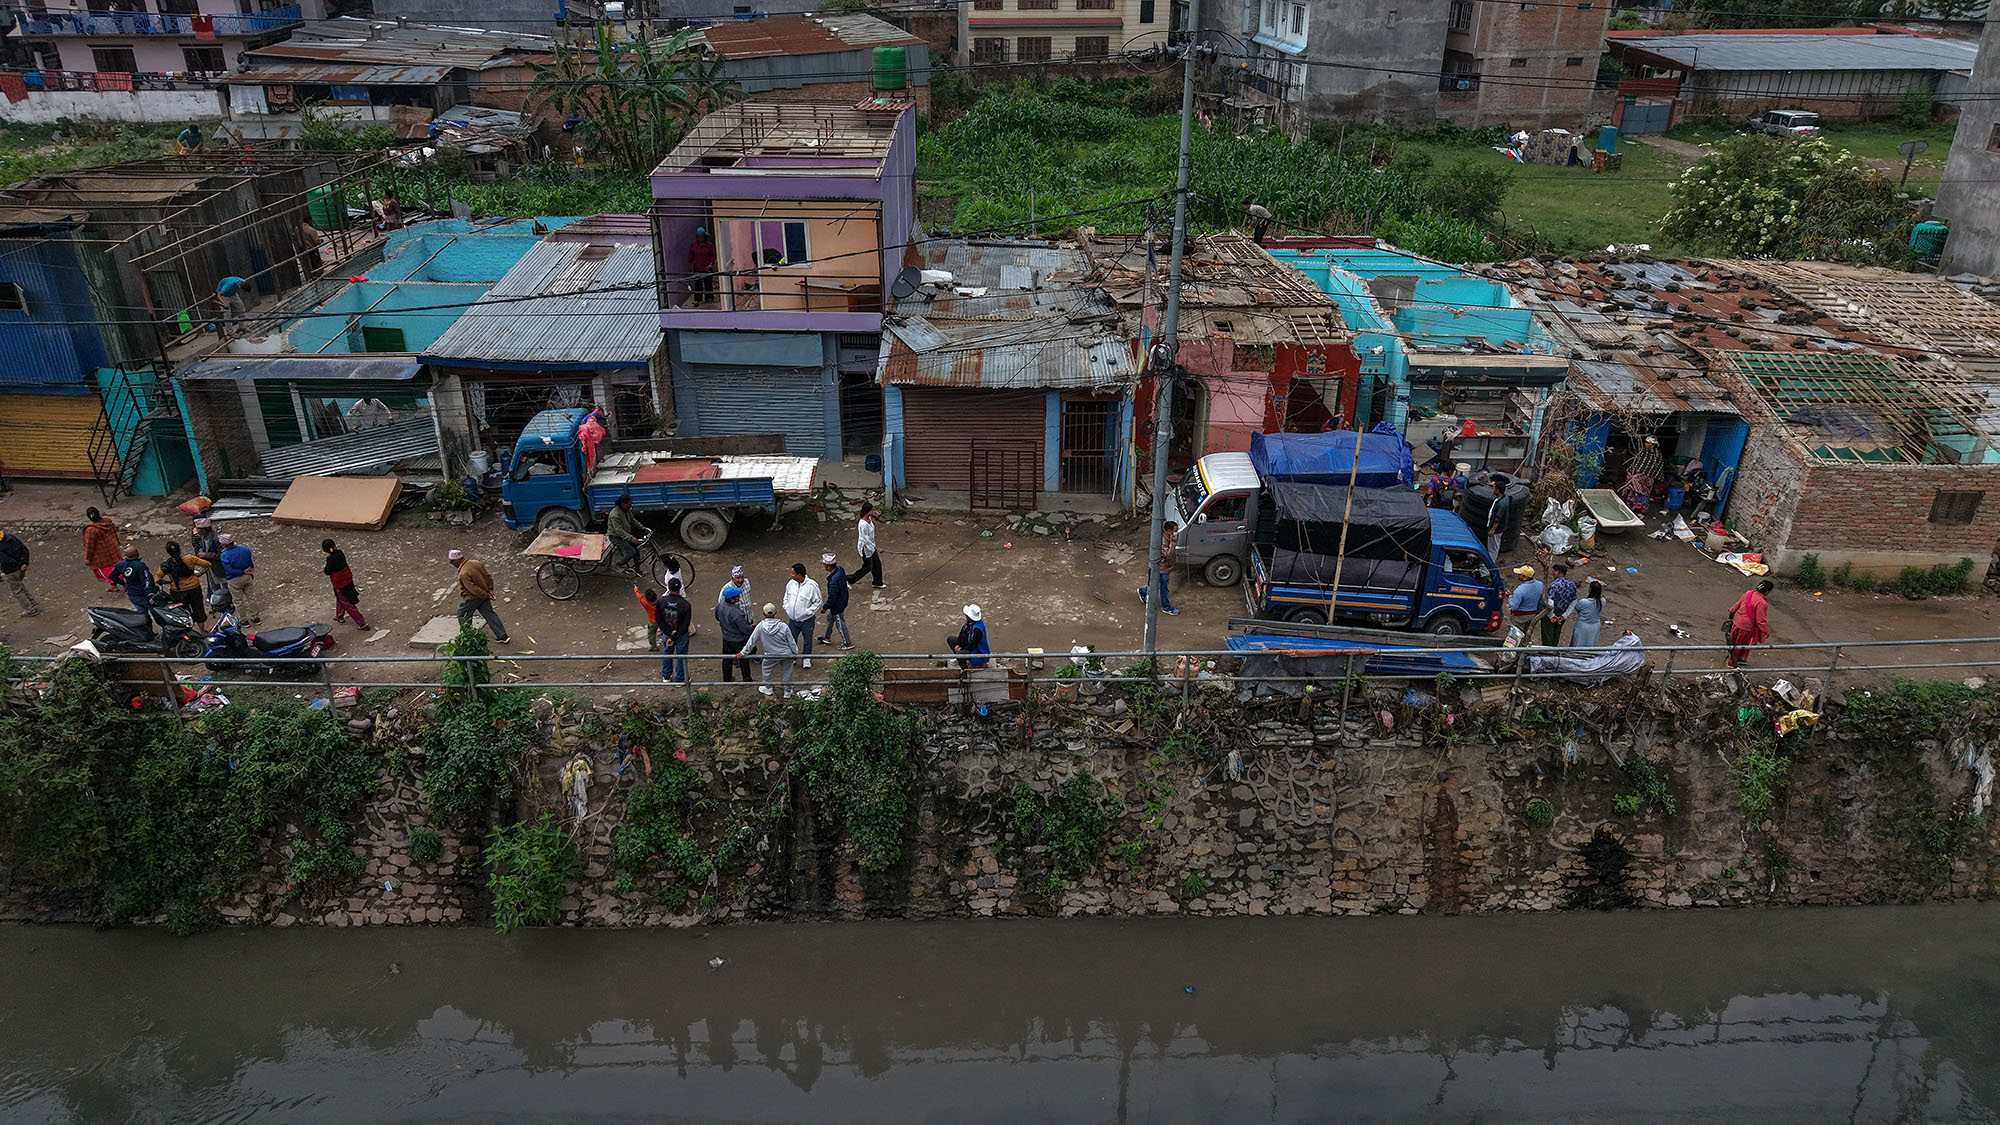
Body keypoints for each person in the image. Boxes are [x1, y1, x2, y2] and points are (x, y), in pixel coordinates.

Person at [449, 549, 509, 644]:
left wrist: (486, 595)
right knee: (489, 614)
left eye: (452, 562)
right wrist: (490, 590)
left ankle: (468, 637)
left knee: (463, 614)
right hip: (484, 594)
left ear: (457, 560)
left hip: (473, 598)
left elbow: (473, 589)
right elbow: (488, 576)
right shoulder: (476, 563)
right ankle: (502, 635)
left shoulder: (463, 573)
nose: (452, 564)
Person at [740, 602, 798, 697]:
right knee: (788, 671)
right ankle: (787, 691)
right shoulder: (783, 626)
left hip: (771, 654)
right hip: (786, 653)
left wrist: (743, 652)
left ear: (764, 614)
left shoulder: (761, 626)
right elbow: (791, 642)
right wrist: (795, 653)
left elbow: (752, 641)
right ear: (775, 613)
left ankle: (768, 688)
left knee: (766, 668)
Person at [156, 541, 208, 625]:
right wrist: (198, 575)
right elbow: (207, 564)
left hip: (177, 591)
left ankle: (188, 632)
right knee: (198, 609)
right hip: (194, 588)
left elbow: (157, 579)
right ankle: (203, 631)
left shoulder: (166, 565)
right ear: (179, 549)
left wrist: (169, 581)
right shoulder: (189, 558)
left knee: (183, 612)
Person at [783, 562, 823, 669]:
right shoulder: (790, 584)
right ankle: (793, 657)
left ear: (799, 575)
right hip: (793, 619)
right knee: (791, 639)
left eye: (793, 573)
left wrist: (807, 612)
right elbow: (786, 597)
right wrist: (787, 607)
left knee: (807, 639)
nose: (791, 575)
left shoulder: (812, 586)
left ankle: (806, 658)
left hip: (807, 620)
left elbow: (818, 602)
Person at [1726, 579, 1774, 668]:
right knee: (1741, 645)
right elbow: (1760, 621)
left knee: (1733, 641)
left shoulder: (1749, 593)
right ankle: (1732, 664)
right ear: (1767, 592)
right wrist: (1766, 631)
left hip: (1736, 622)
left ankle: (1736, 659)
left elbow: (1736, 605)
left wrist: (1731, 615)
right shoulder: (1762, 603)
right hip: (1746, 627)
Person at [322, 539, 368, 630]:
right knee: (341, 598)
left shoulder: (330, 559)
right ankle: (340, 616)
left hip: (339, 583)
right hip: (347, 579)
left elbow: (327, 571)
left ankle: (362, 623)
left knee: (346, 602)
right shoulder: (340, 553)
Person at [1138, 521, 1181, 616]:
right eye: (1175, 531)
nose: (1176, 533)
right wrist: (1173, 543)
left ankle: (1143, 591)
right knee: (1163, 588)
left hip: (1165, 567)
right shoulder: (1163, 541)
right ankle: (1166, 607)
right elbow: (1168, 555)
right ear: (1169, 531)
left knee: (1155, 585)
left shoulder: (1168, 537)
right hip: (1162, 568)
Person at [657, 577, 694, 682]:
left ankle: (666, 676)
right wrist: (675, 636)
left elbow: (659, 620)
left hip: (667, 634)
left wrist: (669, 633)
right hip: (681, 634)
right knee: (681, 656)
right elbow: (686, 623)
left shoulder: (661, 601)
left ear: (668, 587)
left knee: (667, 653)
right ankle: (680, 678)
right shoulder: (685, 604)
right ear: (680, 588)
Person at [715, 585, 753, 683]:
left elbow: (717, 617)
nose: (739, 596)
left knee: (727, 660)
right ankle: (747, 679)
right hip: (739, 640)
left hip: (726, 638)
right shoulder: (737, 613)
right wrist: (752, 626)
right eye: (736, 595)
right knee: (743, 660)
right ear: (732, 599)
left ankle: (727, 679)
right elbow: (745, 629)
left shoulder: (719, 606)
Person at [218, 533, 258, 624]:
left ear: (223, 544)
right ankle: (255, 617)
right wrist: (249, 571)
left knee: (238, 600)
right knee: (251, 597)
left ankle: (244, 620)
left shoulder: (224, 555)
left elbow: (229, 570)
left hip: (234, 579)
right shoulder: (244, 549)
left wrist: (241, 572)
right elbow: (250, 563)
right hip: (247, 576)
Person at [0, 527, 39, 619]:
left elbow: (5, 560)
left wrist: (17, 564)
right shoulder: (11, 537)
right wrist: (25, 562)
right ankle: (32, 602)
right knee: (20, 585)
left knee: (17, 590)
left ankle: (30, 610)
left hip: (11, 571)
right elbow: (24, 549)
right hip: (22, 567)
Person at [108, 544, 156, 616]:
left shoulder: (120, 564)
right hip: (143, 594)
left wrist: (124, 584)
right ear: (137, 554)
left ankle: (145, 626)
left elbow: (112, 576)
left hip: (132, 594)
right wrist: (150, 594)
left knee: (142, 615)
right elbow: (147, 581)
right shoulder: (140, 566)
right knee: (156, 613)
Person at [817, 553, 853, 650]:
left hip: (837, 605)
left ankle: (847, 642)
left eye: (824, 565)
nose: (823, 566)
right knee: (830, 618)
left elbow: (832, 598)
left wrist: (825, 607)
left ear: (828, 566)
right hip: (843, 599)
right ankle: (826, 637)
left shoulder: (833, 581)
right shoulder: (840, 570)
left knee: (840, 623)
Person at [82, 507, 120, 588]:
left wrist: (87, 558)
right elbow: (114, 534)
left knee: (108, 572)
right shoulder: (108, 522)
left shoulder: (91, 530)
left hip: (102, 555)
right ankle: (117, 586)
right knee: (118, 568)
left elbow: (89, 546)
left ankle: (118, 586)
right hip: (113, 550)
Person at [606, 494, 645, 572]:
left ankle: (637, 570)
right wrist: (632, 538)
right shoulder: (615, 514)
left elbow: (632, 520)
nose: (630, 506)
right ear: (623, 504)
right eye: (629, 504)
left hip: (625, 535)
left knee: (636, 549)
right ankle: (618, 564)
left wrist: (641, 527)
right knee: (631, 552)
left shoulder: (626, 510)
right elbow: (619, 531)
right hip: (616, 537)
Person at [854, 501, 887, 589]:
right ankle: (849, 579)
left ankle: (877, 582)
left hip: (871, 546)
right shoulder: (862, 524)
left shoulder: (869, 520)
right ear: (867, 512)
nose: (873, 512)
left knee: (877, 564)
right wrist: (876, 547)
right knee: (867, 567)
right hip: (865, 548)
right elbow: (865, 539)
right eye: (871, 511)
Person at [1544, 561, 1577, 647]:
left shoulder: (1554, 585)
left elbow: (1550, 602)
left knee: (1548, 635)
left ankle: (1546, 653)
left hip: (1552, 611)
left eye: (1554, 572)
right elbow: (1574, 601)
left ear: (1558, 572)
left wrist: (1551, 615)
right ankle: (1554, 652)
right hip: (1562, 612)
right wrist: (1564, 615)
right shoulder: (1572, 585)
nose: (1553, 574)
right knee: (1556, 633)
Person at [948, 604, 990, 669]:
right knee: (950, 639)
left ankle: (965, 669)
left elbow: (973, 645)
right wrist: (958, 644)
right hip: (966, 645)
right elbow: (962, 633)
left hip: (976, 652)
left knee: (960, 655)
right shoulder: (968, 622)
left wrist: (961, 649)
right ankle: (960, 658)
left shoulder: (977, 629)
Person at [190, 516, 224, 595]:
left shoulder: (216, 538)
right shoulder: (202, 536)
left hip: (219, 568)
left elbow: (221, 555)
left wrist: (206, 555)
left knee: (225, 586)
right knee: (214, 587)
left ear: (204, 529)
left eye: (199, 530)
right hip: (209, 568)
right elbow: (200, 546)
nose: (197, 532)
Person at [1507, 564, 1544, 636]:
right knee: (1526, 635)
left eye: (1520, 574)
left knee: (1514, 637)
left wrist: (1510, 597)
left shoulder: (1520, 590)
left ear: (1525, 577)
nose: (1518, 575)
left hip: (1519, 617)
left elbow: (1513, 606)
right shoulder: (1540, 585)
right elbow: (1541, 601)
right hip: (1532, 615)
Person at [1484, 474, 1513, 560]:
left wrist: (1492, 530)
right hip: (1495, 527)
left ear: (1497, 490)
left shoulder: (1502, 504)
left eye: (1494, 488)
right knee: (1492, 545)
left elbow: (1498, 518)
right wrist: (1493, 483)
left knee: (1493, 547)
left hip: (1496, 529)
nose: (1492, 490)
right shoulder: (1504, 497)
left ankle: (1491, 563)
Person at [688, 227, 718, 305]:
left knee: (708, 284)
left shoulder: (709, 245)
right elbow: (691, 255)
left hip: (707, 268)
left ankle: (709, 297)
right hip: (697, 267)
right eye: (698, 237)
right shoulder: (694, 245)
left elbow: (713, 256)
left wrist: (710, 265)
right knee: (698, 284)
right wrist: (690, 265)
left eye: (701, 237)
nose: (700, 238)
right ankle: (697, 299)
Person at [1570, 580, 1605, 648]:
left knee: (1578, 644)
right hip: (1595, 626)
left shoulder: (1584, 602)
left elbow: (1577, 608)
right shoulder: (1602, 601)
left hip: (1583, 626)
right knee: (1591, 645)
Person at [636, 583, 661, 650]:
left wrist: (636, 589)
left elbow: (639, 597)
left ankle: (653, 646)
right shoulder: (660, 602)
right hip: (661, 620)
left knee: (651, 634)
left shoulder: (646, 604)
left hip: (653, 622)